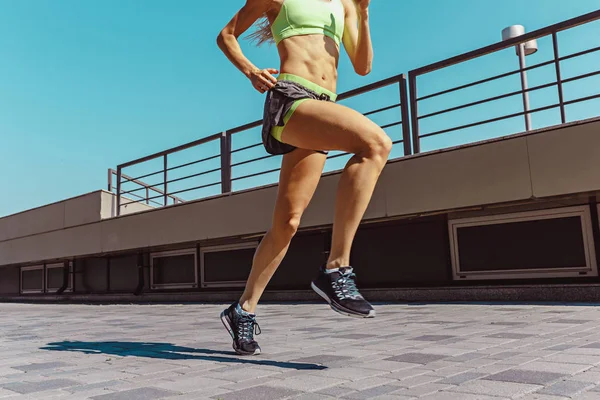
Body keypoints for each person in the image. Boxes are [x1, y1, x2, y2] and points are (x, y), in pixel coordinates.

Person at [217, 0, 391, 356]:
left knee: (287, 222)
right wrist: (251, 71)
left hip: (320, 108)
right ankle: (337, 268)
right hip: (292, 99)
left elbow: (362, 66)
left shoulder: (342, 4)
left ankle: (242, 309)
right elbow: (227, 36)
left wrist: (363, 12)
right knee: (376, 144)